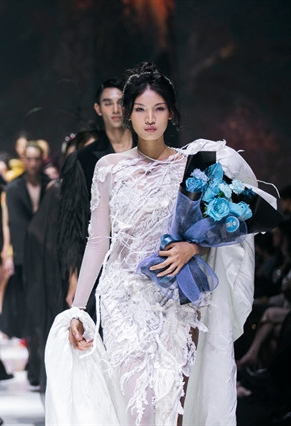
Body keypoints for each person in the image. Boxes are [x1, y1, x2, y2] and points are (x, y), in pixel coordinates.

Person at [45, 62, 267, 425]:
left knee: (169, 408)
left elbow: (217, 228)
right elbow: (98, 242)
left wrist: (193, 248)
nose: (150, 118)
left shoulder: (193, 167)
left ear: (171, 113)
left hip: (178, 297)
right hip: (123, 297)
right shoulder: (108, 168)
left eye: (159, 108)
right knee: (139, 409)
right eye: (140, 109)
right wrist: (78, 310)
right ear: (128, 115)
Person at [22, 150, 89, 395]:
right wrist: (73, 278)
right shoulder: (61, 193)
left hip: (72, 273)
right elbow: (66, 238)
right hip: (62, 275)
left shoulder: (68, 192)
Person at [1, 141, 50, 387]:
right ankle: (33, 361)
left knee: (44, 310)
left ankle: (42, 364)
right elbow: (8, 223)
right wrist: (7, 254)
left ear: (42, 160)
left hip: (46, 256)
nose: (32, 163)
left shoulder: (50, 185)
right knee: (29, 311)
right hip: (22, 257)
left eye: (36, 159)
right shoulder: (13, 188)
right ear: (23, 160)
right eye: (28, 159)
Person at [77, 77, 133, 193]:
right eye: (108, 104)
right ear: (98, 109)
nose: (115, 109)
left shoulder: (147, 149)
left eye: (121, 103)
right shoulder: (85, 157)